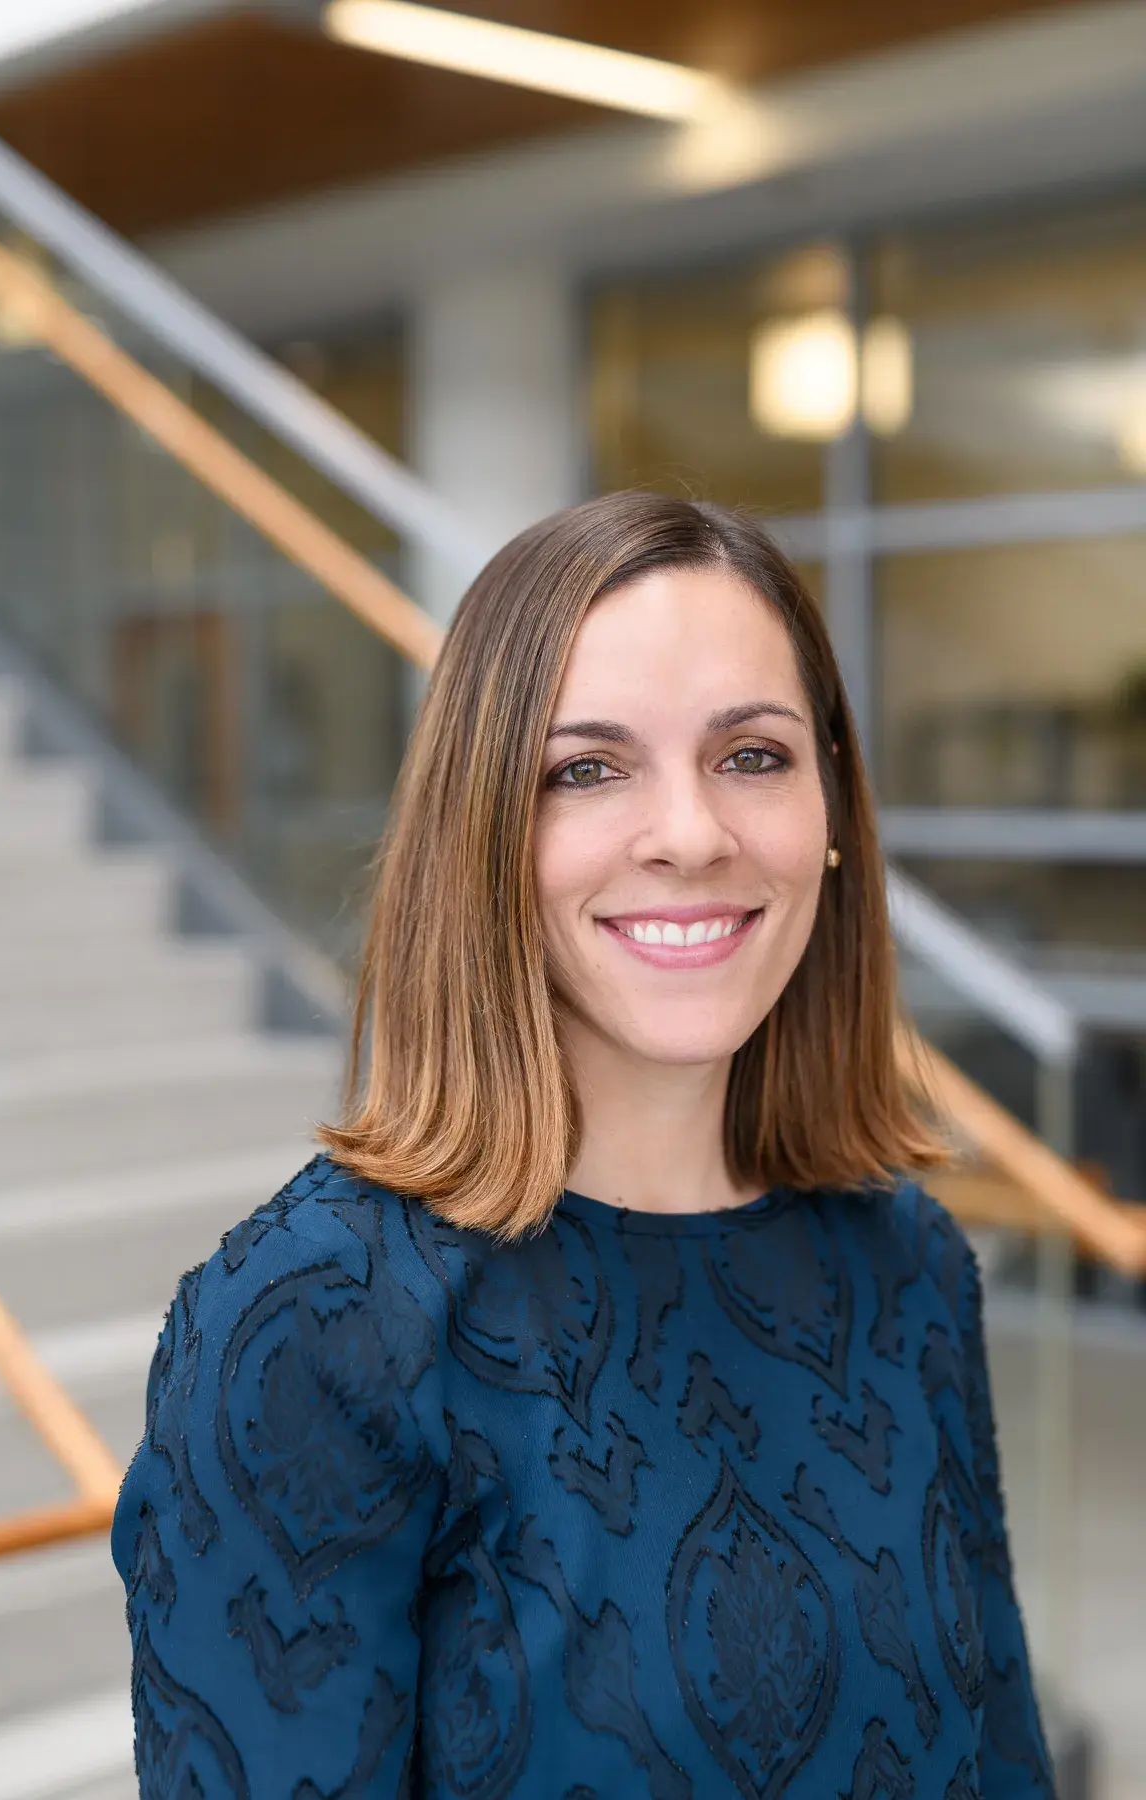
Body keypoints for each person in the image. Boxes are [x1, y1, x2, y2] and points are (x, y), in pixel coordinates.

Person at [113, 492, 1055, 1799]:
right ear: (483, 836)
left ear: (834, 814)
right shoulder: (311, 1329)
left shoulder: (908, 1267)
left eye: (754, 755)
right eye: (588, 769)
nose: (691, 832)